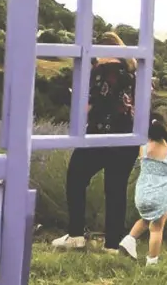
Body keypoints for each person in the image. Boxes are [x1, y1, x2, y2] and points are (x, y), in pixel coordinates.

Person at [52, 31, 141, 253]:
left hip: (100, 135)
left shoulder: (102, 72)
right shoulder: (133, 75)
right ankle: (112, 245)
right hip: (128, 139)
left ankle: (76, 235)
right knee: (116, 190)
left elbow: (89, 105)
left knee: (76, 178)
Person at [117, 112, 167, 266]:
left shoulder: (143, 148)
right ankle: (152, 263)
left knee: (146, 219)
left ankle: (129, 240)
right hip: (159, 194)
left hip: (142, 193)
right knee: (157, 228)